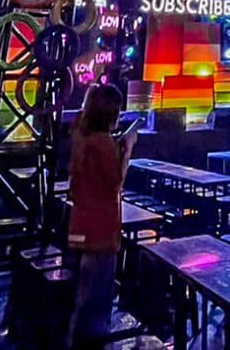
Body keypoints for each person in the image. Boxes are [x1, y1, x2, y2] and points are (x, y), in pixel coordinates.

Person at [68, 83, 135, 349]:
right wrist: (127, 150)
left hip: (80, 225)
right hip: (101, 231)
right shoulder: (103, 144)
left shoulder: (81, 137)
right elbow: (115, 183)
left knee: (82, 298)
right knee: (96, 304)